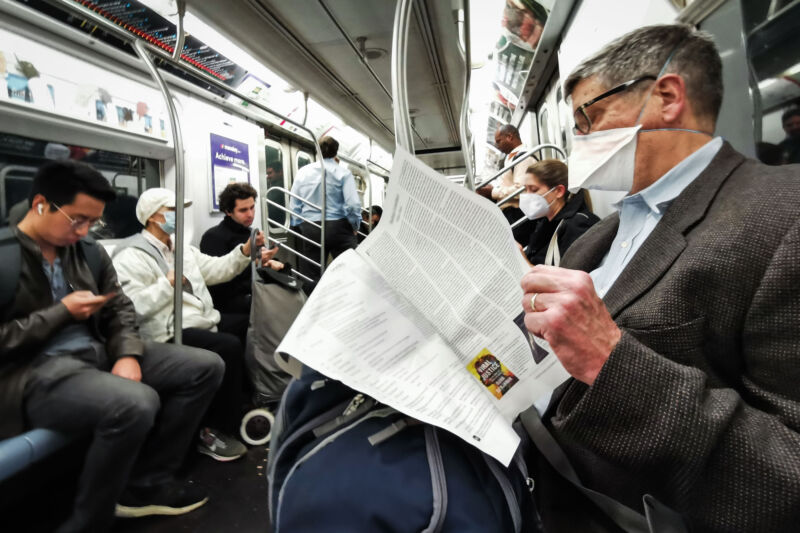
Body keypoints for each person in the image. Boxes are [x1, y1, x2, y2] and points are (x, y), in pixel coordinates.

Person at [519, 24, 800, 532]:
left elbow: (787, 474)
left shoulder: (783, 215)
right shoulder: (603, 234)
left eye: (590, 117)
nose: (582, 139)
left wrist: (611, 361)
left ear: (667, 97)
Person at [2, 161, 224, 531]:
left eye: (94, 223)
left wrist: (126, 353)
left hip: (96, 351)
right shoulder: (6, 257)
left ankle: (146, 483)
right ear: (41, 204)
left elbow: (119, 307)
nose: (86, 231)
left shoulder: (86, 251)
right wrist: (59, 314)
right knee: (136, 402)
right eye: (77, 220)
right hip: (32, 371)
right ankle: (90, 520)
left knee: (206, 366)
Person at [112, 188, 277, 463]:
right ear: (153, 217)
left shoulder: (180, 249)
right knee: (227, 346)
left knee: (243, 329)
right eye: (172, 211)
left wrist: (244, 252)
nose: (177, 216)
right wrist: (166, 285)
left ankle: (240, 405)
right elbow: (133, 305)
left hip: (197, 319)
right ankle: (215, 429)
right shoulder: (130, 255)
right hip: (165, 330)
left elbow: (216, 269)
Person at [200, 182, 283, 320]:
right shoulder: (214, 237)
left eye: (252, 208)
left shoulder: (250, 233)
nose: (250, 214)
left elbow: (259, 267)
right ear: (228, 211)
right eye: (243, 210)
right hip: (232, 301)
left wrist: (270, 263)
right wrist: (256, 264)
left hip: (256, 290)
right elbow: (220, 286)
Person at [289, 136, 361, 282]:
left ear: (317, 150)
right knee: (351, 268)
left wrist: (298, 226)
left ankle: (313, 301)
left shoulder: (303, 172)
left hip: (311, 227)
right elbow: (353, 205)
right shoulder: (343, 173)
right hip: (338, 227)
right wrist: (355, 225)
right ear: (336, 151)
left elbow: (294, 203)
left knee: (311, 273)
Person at [517, 159, 598, 266]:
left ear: (559, 191)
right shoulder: (546, 221)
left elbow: (565, 279)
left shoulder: (578, 226)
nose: (527, 195)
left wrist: (523, 260)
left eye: (534, 189)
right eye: (525, 189)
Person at [492, 124, 536, 243]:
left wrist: (493, 192)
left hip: (518, 213)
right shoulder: (511, 159)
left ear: (510, 137)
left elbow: (521, 190)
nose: (497, 146)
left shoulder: (524, 157)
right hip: (510, 213)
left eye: (498, 141)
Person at [265, 162, 287, 226]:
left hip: (279, 222)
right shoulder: (273, 184)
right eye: (267, 174)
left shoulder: (280, 185)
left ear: (280, 172)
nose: (268, 176)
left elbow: (268, 199)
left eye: (270, 173)